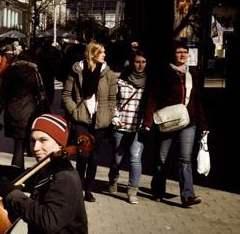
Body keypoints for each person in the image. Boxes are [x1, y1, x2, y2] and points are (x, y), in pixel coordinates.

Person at [143, 41, 207, 207]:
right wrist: (148, 122)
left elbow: (197, 101)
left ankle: (187, 195)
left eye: (185, 52)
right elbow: (152, 98)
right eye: (179, 52)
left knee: (185, 159)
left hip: (188, 122)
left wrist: (203, 125)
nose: (183, 55)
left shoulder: (192, 73)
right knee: (162, 158)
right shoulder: (163, 73)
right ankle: (158, 190)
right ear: (173, 54)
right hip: (168, 122)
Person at [62, 41, 117, 202]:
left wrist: (109, 114)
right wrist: (74, 111)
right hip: (81, 118)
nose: (105, 55)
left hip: (100, 120)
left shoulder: (109, 74)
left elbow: (112, 98)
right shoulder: (76, 70)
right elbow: (66, 94)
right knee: (82, 154)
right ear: (93, 54)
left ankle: (88, 189)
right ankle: (78, 187)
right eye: (102, 52)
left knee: (94, 156)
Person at [0, 51, 48, 169]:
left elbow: (2, 97)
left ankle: (15, 174)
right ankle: (39, 174)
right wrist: (46, 114)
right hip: (30, 112)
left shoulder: (8, 72)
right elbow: (41, 95)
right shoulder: (34, 73)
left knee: (18, 146)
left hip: (12, 113)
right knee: (38, 146)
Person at [108, 50, 148, 204]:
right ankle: (113, 178)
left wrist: (147, 122)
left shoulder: (149, 83)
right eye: (137, 62)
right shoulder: (121, 81)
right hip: (121, 125)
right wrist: (115, 117)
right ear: (132, 63)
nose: (140, 65)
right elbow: (113, 102)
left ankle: (132, 191)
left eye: (143, 62)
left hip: (139, 127)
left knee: (135, 159)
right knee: (116, 160)